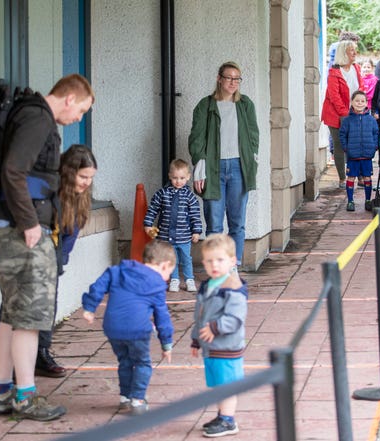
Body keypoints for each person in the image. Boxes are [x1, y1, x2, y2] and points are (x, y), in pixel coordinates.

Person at [0, 73, 94, 421]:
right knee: (29, 319)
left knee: (11, 314)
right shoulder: (38, 118)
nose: (79, 118)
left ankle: (1, 391)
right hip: (20, 232)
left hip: (2, 227)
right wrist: (30, 223)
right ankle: (25, 397)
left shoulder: (25, 113)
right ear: (69, 99)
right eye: (81, 110)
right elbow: (14, 171)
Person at [82, 240, 175, 415]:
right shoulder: (157, 283)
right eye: (170, 272)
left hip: (113, 328)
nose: (168, 278)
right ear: (164, 265)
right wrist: (166, 344)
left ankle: (124, 397)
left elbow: (98, 286)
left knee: (124, 361)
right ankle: (137, 400)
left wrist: (89, 307)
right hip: (138, 330)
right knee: (142, 363)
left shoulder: (118, 271)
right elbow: (162, 316)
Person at [188, 61, 259, 267]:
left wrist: (252, 159)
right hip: (213, 169)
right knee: (214, 224)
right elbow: (196, 138)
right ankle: (215, 267)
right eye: (229, 77)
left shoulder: (245, 105)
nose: (233, 82)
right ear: (219, 79)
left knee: (237, 223)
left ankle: (233, 266)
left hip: (239, 168)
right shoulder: (205, 105)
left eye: (237, 78)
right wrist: (200, 169)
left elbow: (254, 135)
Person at [35, 145, 98, 378]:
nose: (86, 183)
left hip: (54, 257)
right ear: (69, 171)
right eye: (83, 176)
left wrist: (60, 262)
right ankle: (23, 359)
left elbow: (71, 234)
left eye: (90, 178)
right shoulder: (50, 192)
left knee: (48, 305)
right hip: (36, 254)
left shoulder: (81, 199)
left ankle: (42, 352)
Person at [191, 234, 248, 438]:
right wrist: (196, 339)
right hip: (210, 347)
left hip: (227, 347)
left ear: (232, 261)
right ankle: (222, 414)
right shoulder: (207, 286)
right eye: (209, 260)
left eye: (220, 260)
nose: (214, 265)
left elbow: (235, 319)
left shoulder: (233, 288)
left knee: (227, 384)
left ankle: (228, 420)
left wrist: (215, 327)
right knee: (217, 384)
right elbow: (199, 315)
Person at [144, 158, 203, 293]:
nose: (178, 181)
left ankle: (189, 279)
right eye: (175, 178)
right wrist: (148, 224)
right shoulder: (162, 194)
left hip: (184, 237)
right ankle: (174, 279)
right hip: (166, 236)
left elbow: (195, 215)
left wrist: (196, 232)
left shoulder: (190, 196)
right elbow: (152, 209)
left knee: (186, 259)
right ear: (170, 176)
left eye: (182, 178)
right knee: (171, 259)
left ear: (188, 177)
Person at [321, 40, 364, 190]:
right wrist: (345, 114)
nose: (355, 52)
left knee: (356, 145)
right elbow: (334, 97)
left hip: (353, 112)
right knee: (339, 146)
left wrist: (359, 106)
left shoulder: (356, 68)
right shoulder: (334, 72)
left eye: (355, 50)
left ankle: (358, 176)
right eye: (351, 50)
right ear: (343, 53)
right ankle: (342, 178)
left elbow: (361, 88)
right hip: (335, 114)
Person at [339, 91, 379, 212]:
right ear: (352, 102)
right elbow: (342, 135)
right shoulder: (347, 120)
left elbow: (375, 133)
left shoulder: (371, 120)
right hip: (353, 156)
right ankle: (350, 201)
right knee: (351, 178)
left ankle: (367, 200)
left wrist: (374, 147)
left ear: (367, 103)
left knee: (367, 178)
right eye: (357, 101)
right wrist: (346, 148)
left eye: (362, 101)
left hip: (367, 155)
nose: (360, 103)